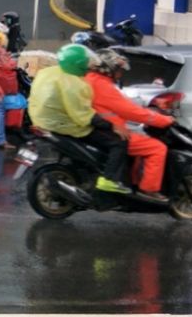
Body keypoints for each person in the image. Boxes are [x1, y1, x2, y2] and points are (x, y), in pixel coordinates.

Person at [28, 44, 131, 195]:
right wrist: (113, 126)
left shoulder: (48, 72)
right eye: (86, 63)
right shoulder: (73, 84)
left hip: (40, 119)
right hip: (63, 124)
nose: (90, 66)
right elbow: (83, 116)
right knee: (119, 141)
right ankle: (109, 180)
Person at [86, 50, 174, 204]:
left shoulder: (92, 80)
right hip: (109, 131)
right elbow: (129, 110)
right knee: (157, 148)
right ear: (109, 69)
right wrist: (163, 120)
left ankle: (131, 181)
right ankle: (148, 189)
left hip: (103, 128)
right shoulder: (102, 85)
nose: (121, 74)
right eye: (119, 70)